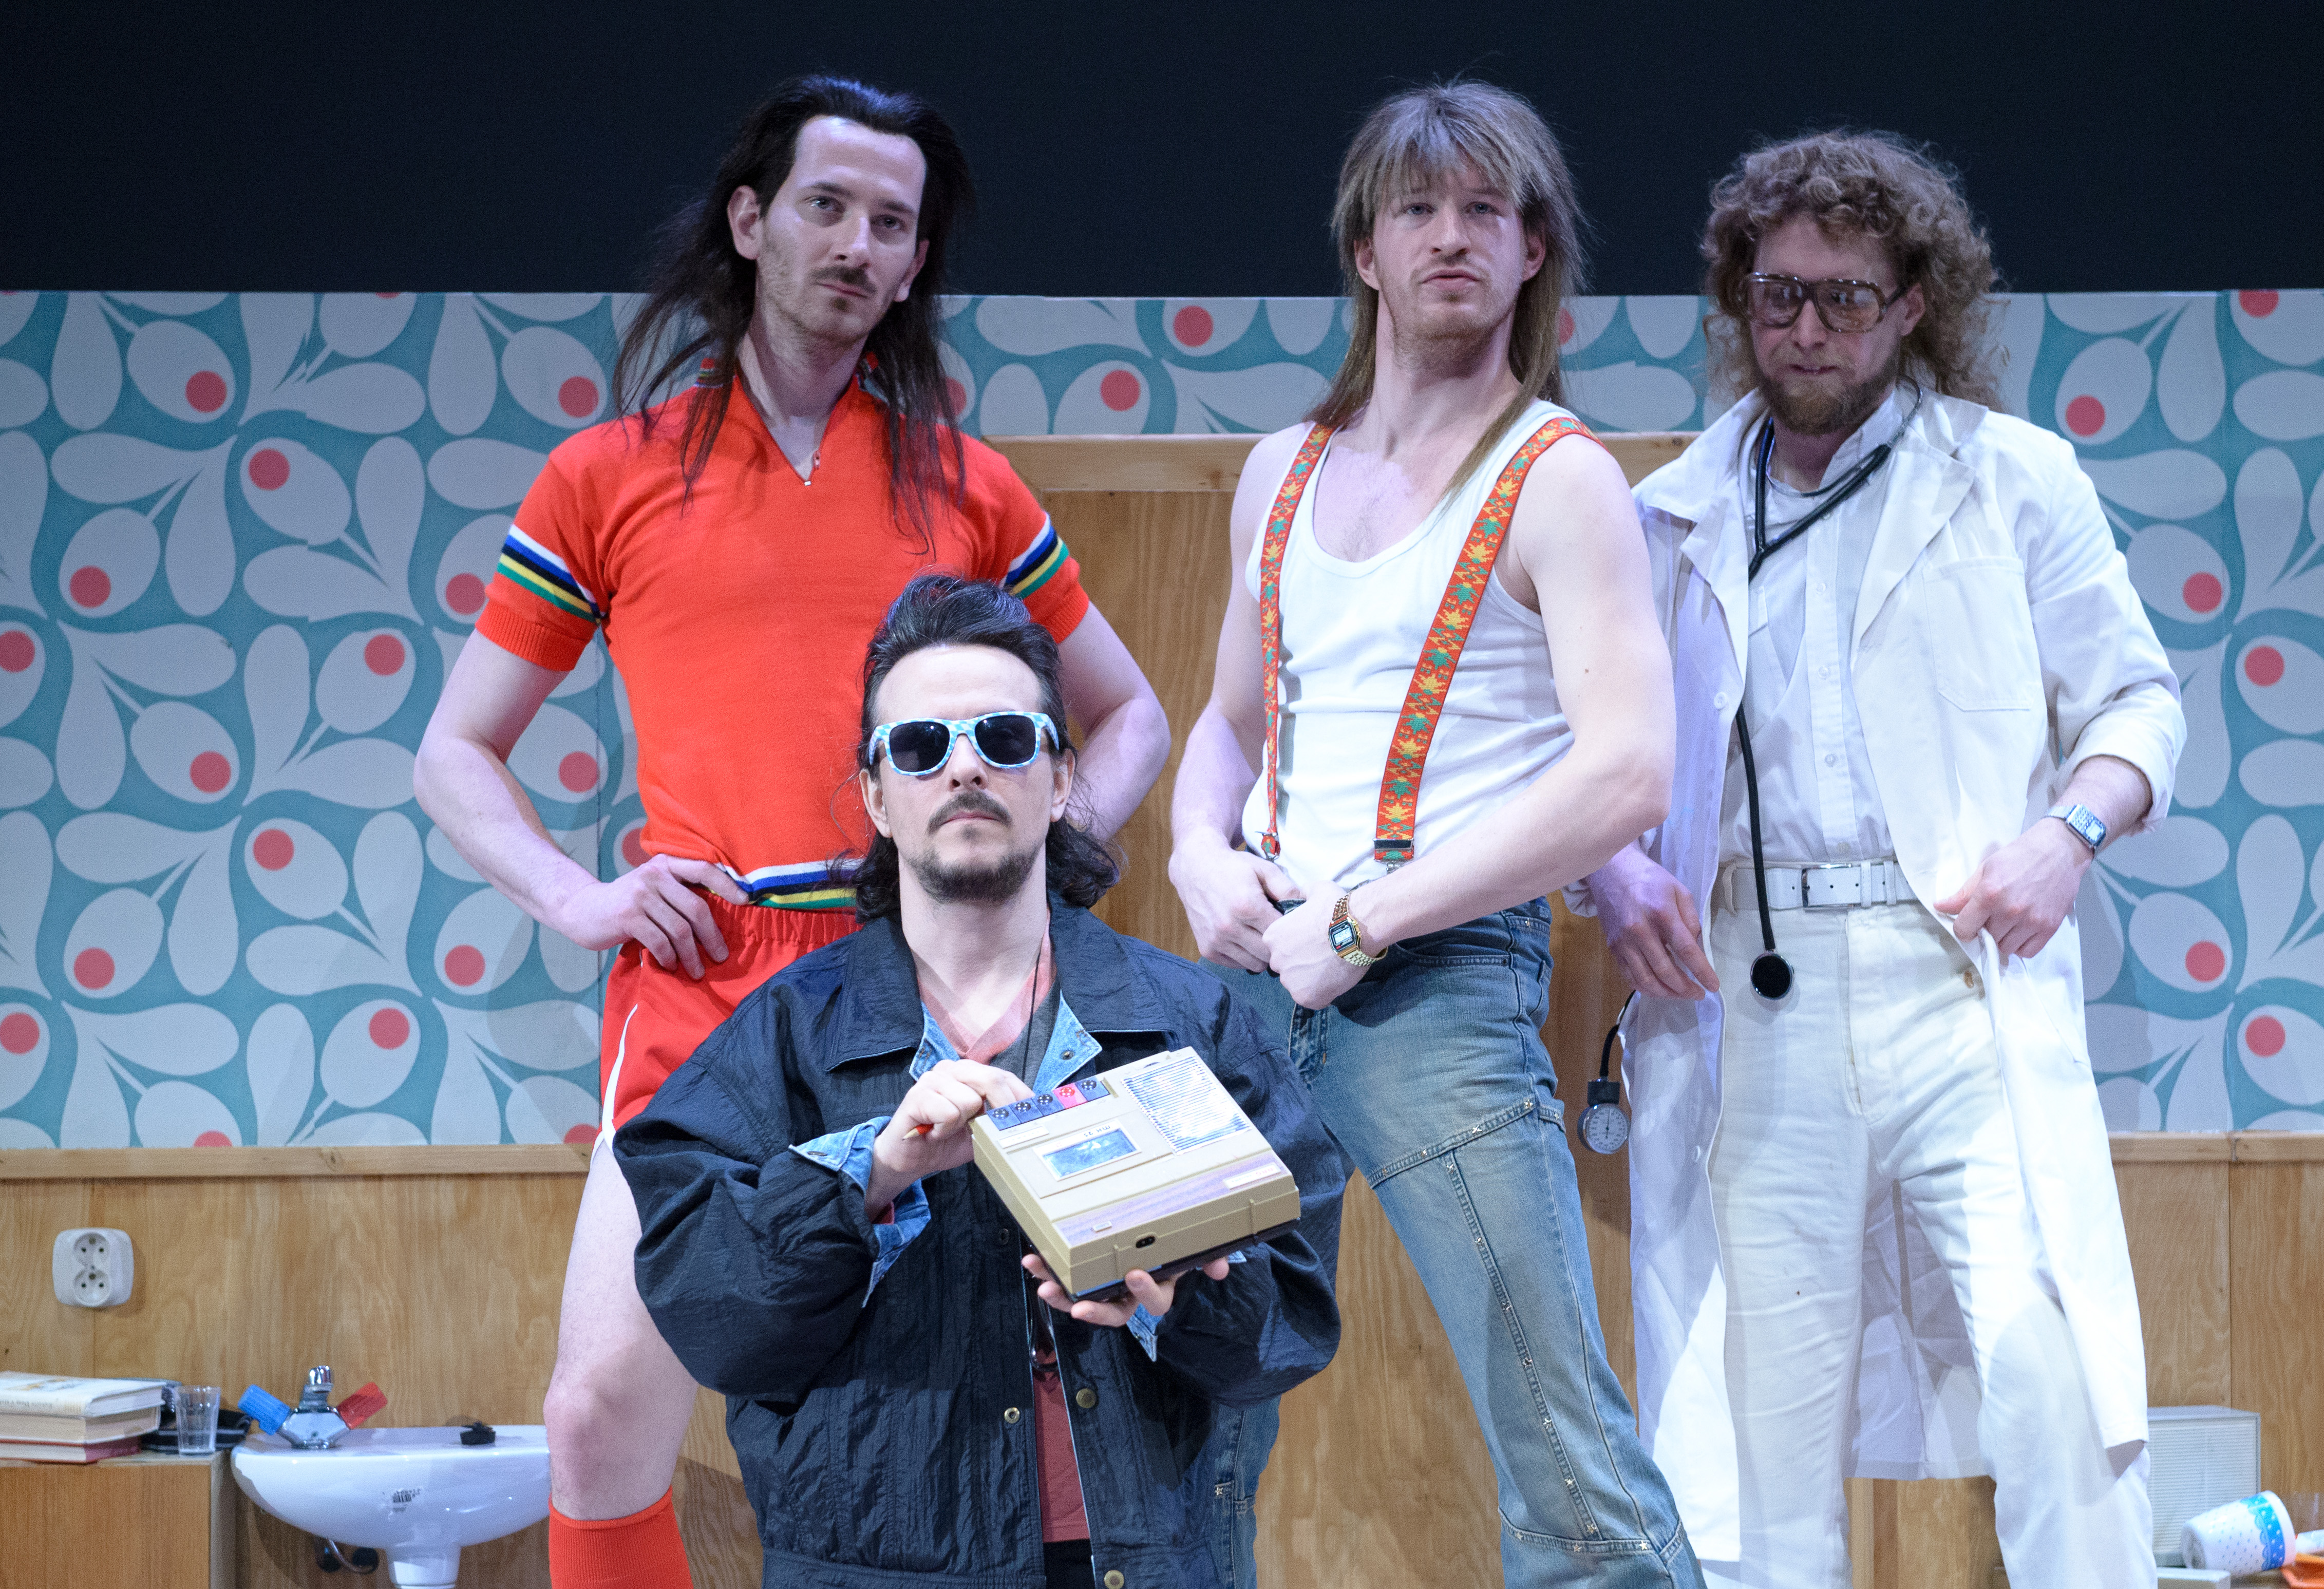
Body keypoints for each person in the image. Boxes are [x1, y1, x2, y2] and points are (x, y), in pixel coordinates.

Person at [410, 78, 1168, 1589]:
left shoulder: (966, 481)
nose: (857, 243)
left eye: (893, 222)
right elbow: (453, 749)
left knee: (952, 1413)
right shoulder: (606, 474)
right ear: (752, 220)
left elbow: (1129, 715)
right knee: (598, 1415)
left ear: (914, 260)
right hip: (704, 984)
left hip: (928, 982)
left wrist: (1029, 852)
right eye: (827, 205)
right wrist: (580, 897)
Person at [1579, 131, 2184, 1588]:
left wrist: (2067, 834)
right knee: (1760, 1419)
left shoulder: (2012, 478)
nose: (1805, 329)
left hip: (1956, 973)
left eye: (1843, 297)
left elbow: (2136, 704)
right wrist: (1610, 872)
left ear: (1913, 301)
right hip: (1747, 989)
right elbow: (1582, 752)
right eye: (1777, 294)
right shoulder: (1669, 510)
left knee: (2047, 1365)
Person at [1167, 82, 1702, 1587]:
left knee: (1559, 1445)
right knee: (1187, 1419)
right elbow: (1227, 722)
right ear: (1366, 249)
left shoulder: (1559, 476)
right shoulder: (1281, 469)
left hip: (1437, 991)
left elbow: (1626, 773)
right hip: (1249, 985)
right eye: (1417, 209)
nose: (1450, 236)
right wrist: (1198, 854)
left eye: (1484, 210)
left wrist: (1365, 920)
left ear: (1533, 250)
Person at [611, 575, 1342, 1589]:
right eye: (919, 745)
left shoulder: (1196, 1024)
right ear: (877, 795)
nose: (964, 767)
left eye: (1003, 738)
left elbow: (1292, 1321)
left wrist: (1177, 1301)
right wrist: (874, 1171)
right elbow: (714, 1317)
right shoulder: (779, 1038)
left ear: (1060, 777)